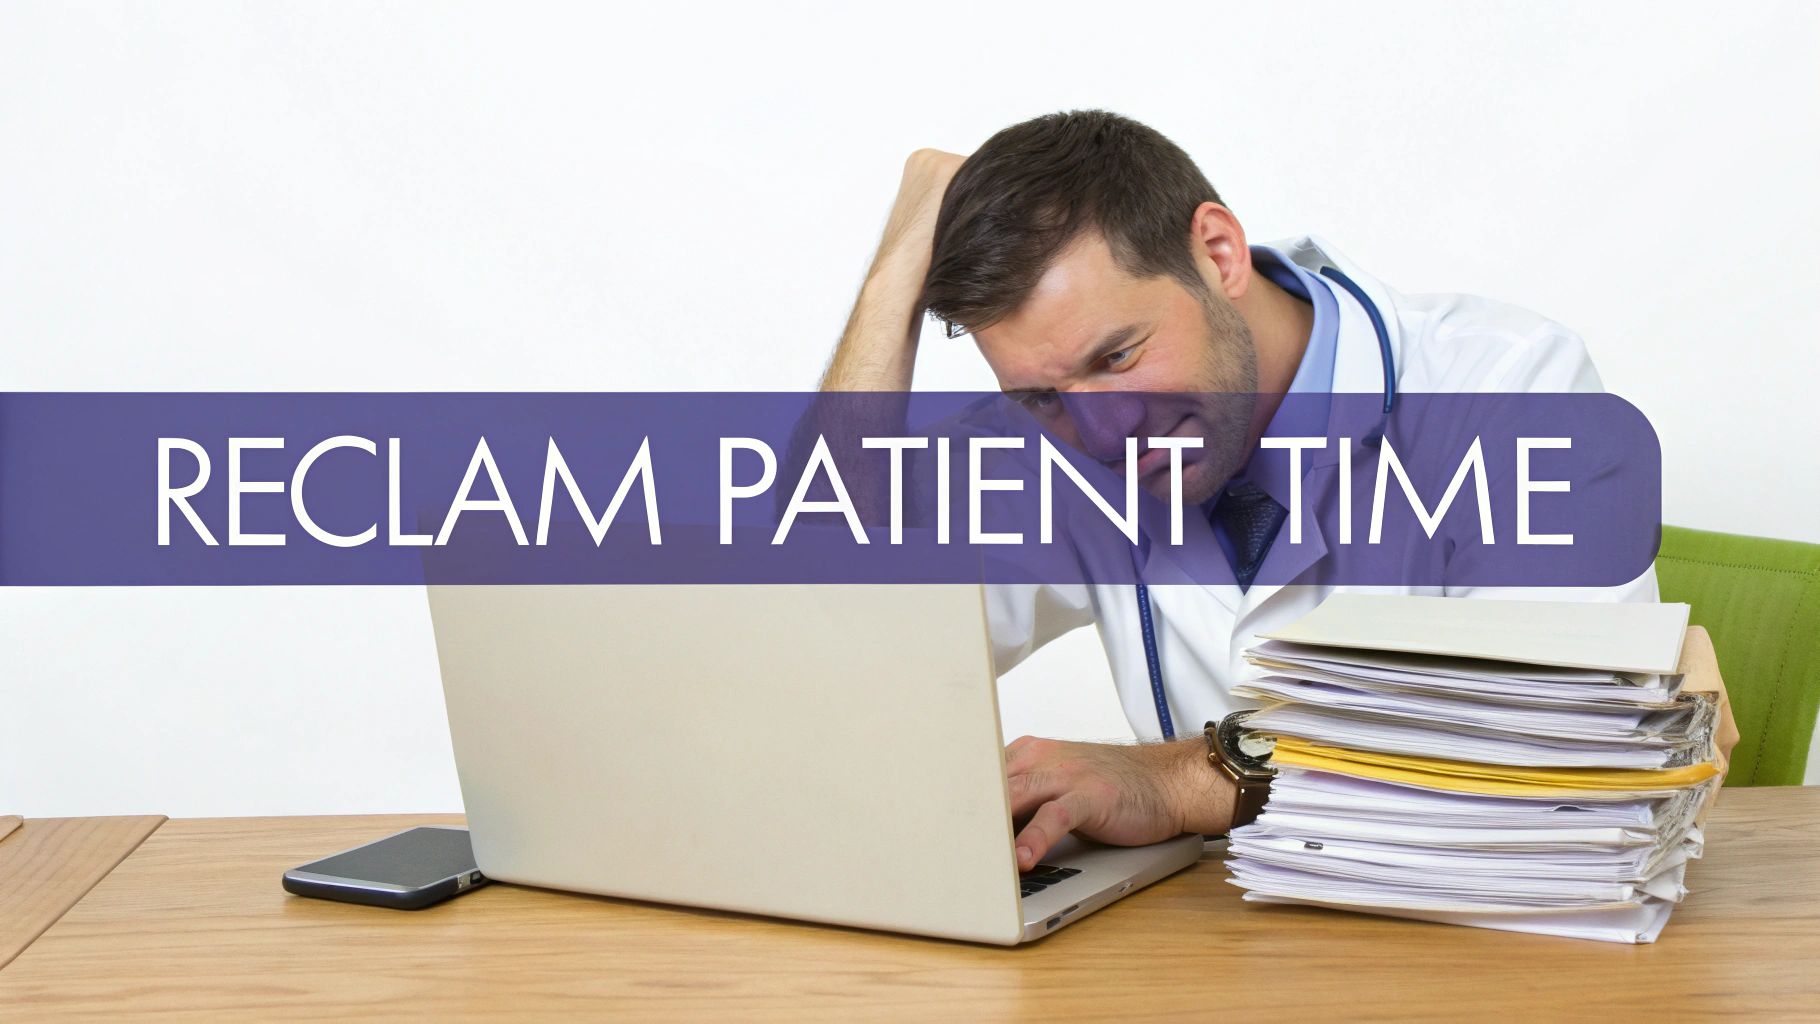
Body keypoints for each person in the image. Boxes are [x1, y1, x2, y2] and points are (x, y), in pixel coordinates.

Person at [819, 110, 1654, 870]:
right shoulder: (1059, 439)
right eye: (1041, 396)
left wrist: (1183, 782)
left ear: (1217, 254)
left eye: (1119, 357)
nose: (1105, 437)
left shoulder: (1511, 389)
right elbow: (823, 628)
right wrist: (889, 283)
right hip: (1217, 953)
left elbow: (1564, 754)